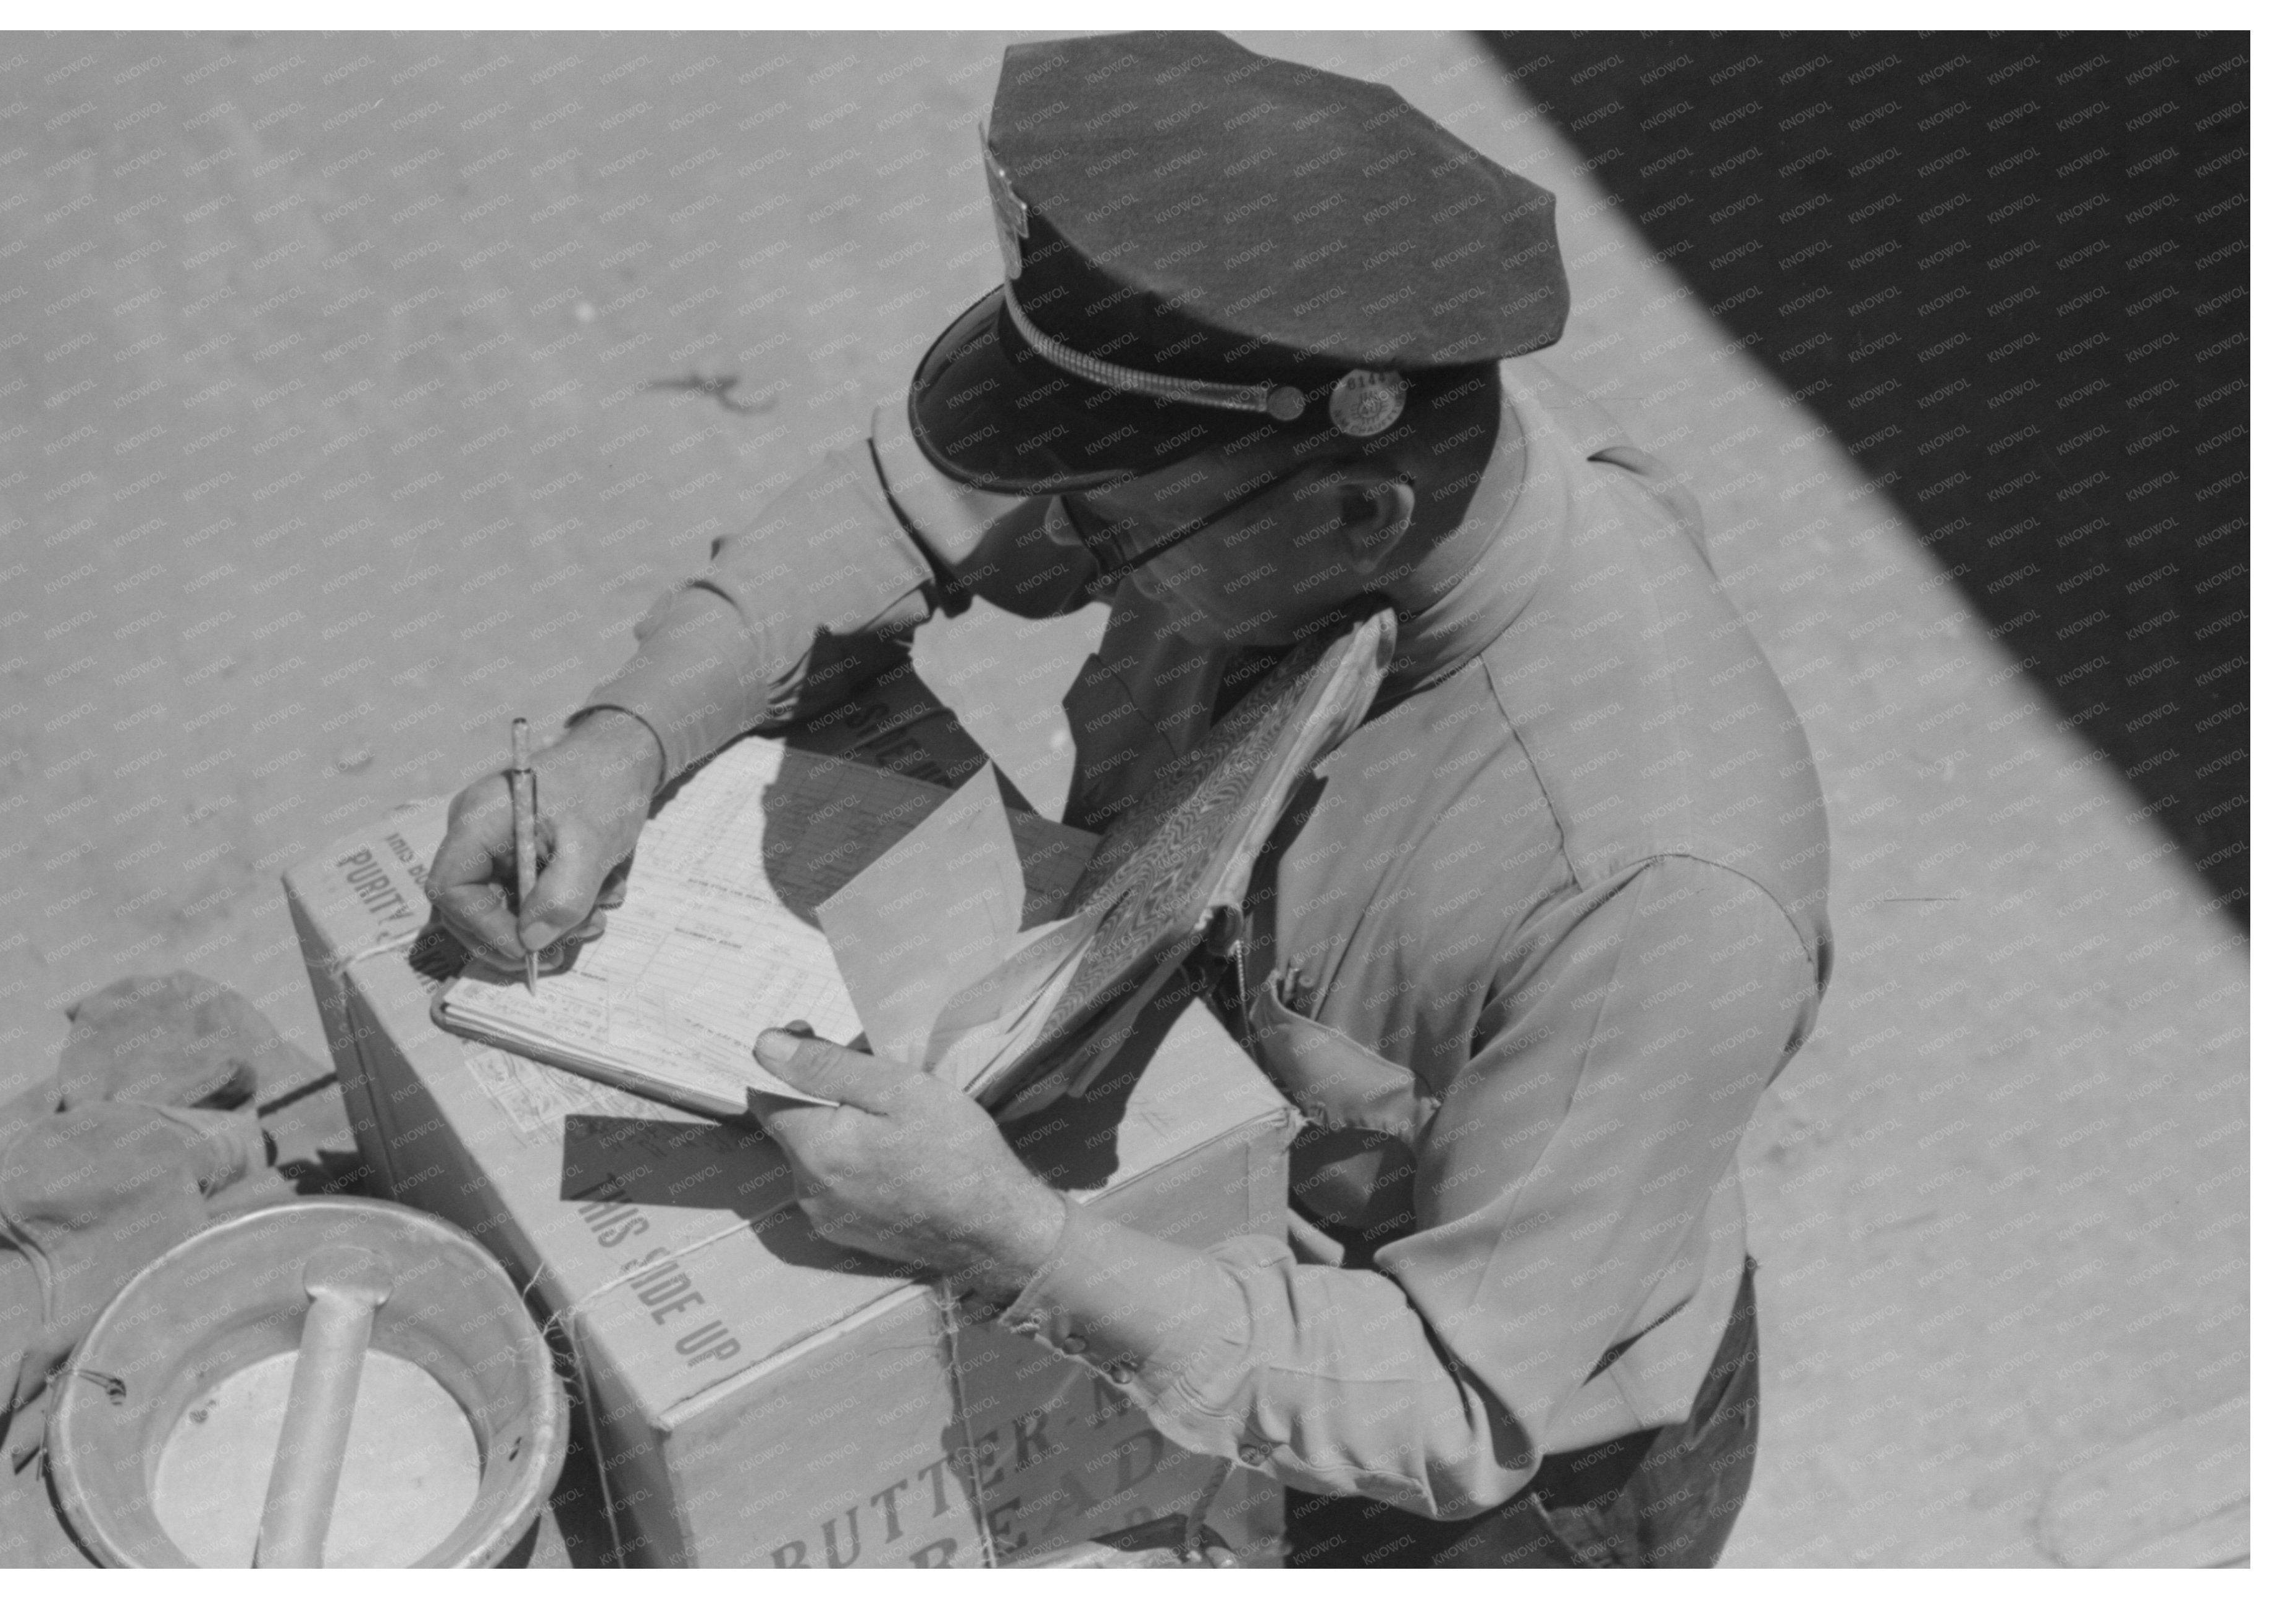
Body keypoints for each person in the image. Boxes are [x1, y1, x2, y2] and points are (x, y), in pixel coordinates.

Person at [427, 32, 1831, 1568]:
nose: (1060, 543)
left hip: (1479, 1487)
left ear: (1357, 514)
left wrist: (1008, 1240)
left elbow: (1451, 1397)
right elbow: (901, 499)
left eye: (1108, 534)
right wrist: (625, 740)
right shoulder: (1286, 444)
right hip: (1194, 1235)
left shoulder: (1654, 892)